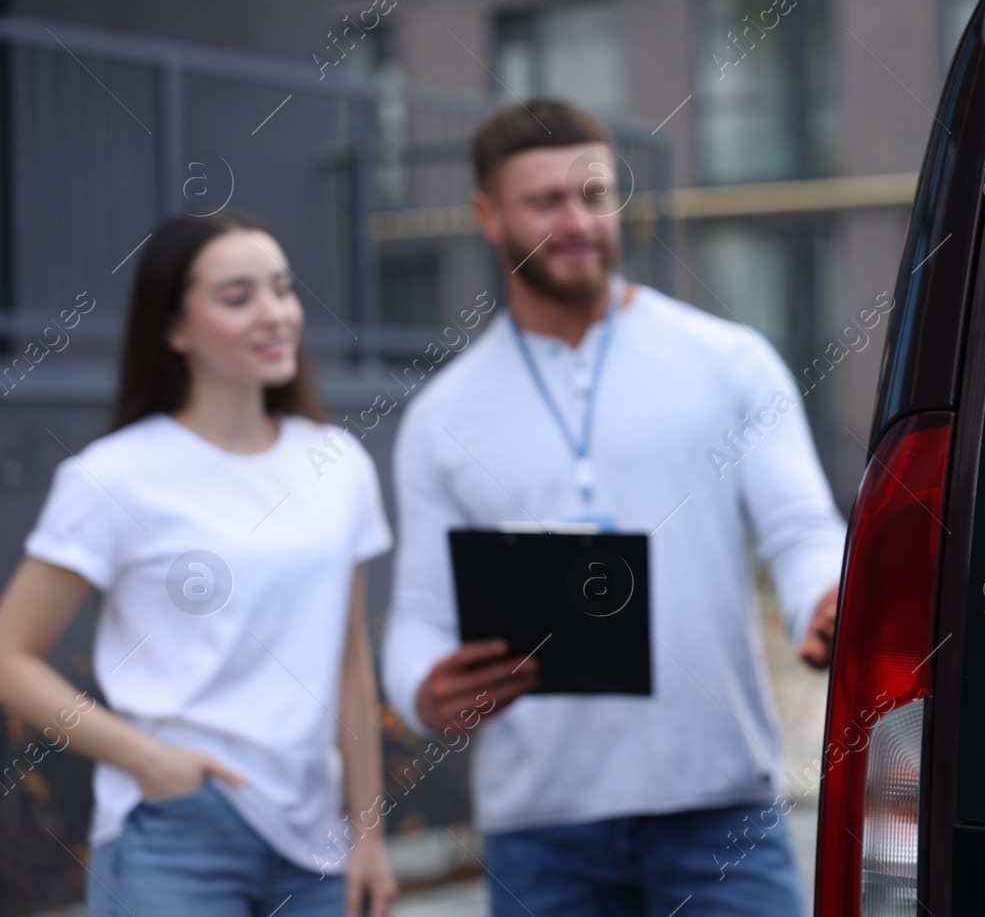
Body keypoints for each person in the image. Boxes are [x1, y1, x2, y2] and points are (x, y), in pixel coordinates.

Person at [381, 97, 845, 916]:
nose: (578, 221)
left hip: (720, 804)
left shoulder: (730, 361)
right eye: (546, 201)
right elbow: (417, 616)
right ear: (486, 215)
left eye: (595, 195)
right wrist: (425, 687)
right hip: (542, 827)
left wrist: (824, 601)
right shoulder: (443, 416)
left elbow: (803, 531)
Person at [0, 213, 398, 916]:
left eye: (281, 289)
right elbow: (10, 653)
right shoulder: (114, 476)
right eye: (238, 297)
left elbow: (349, 661)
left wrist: (367, 833)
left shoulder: (337, 462)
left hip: (317, 842)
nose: (274, 314)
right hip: (176, 831)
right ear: (175, 328)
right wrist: (148, 760)